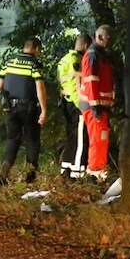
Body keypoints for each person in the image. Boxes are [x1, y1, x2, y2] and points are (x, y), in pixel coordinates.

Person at [0, 37, 49, 184]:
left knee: (13, 139)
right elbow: (40, 88)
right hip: (28, 107)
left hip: (10, 107)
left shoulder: (9, 61)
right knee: (32, 140)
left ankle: (4, 169)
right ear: (36, 49)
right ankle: (30, 176)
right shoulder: (34, 64)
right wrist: (44, 110)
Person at [79, 25, 116, 183]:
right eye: (109, 38)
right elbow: (91, 81)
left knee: (101, 139)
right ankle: (94, 175)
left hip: (100, 106)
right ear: (100, 37)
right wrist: (95, 106)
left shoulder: (100, 55)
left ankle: (98, 173)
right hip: (94, 106)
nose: (111, 42)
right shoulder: (93, 55)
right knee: (98, 140)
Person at [57, 33, 92, 179]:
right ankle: (77, 172)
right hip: (75, 103)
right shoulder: (77, 60)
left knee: (71, 136)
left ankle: (66, 168)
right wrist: (81, 105)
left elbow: (63, 82)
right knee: (80, 138)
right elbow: (75, 85)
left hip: (66, 101)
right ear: (86, 46)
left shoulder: (64, 59)